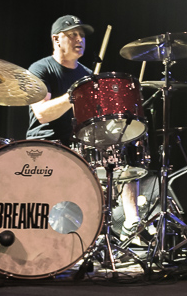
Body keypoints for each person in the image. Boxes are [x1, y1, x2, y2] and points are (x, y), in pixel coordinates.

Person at [27, 15, 143, 234]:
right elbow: (42, 114)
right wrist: (75, 93)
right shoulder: (40, 69)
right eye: (72, 34)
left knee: (122, 148)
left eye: (81, 35)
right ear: (56, 39)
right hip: (45, 144)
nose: (79, 39)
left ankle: (131, 225)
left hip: (78, 146)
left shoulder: (88, 76)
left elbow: (94, 123)